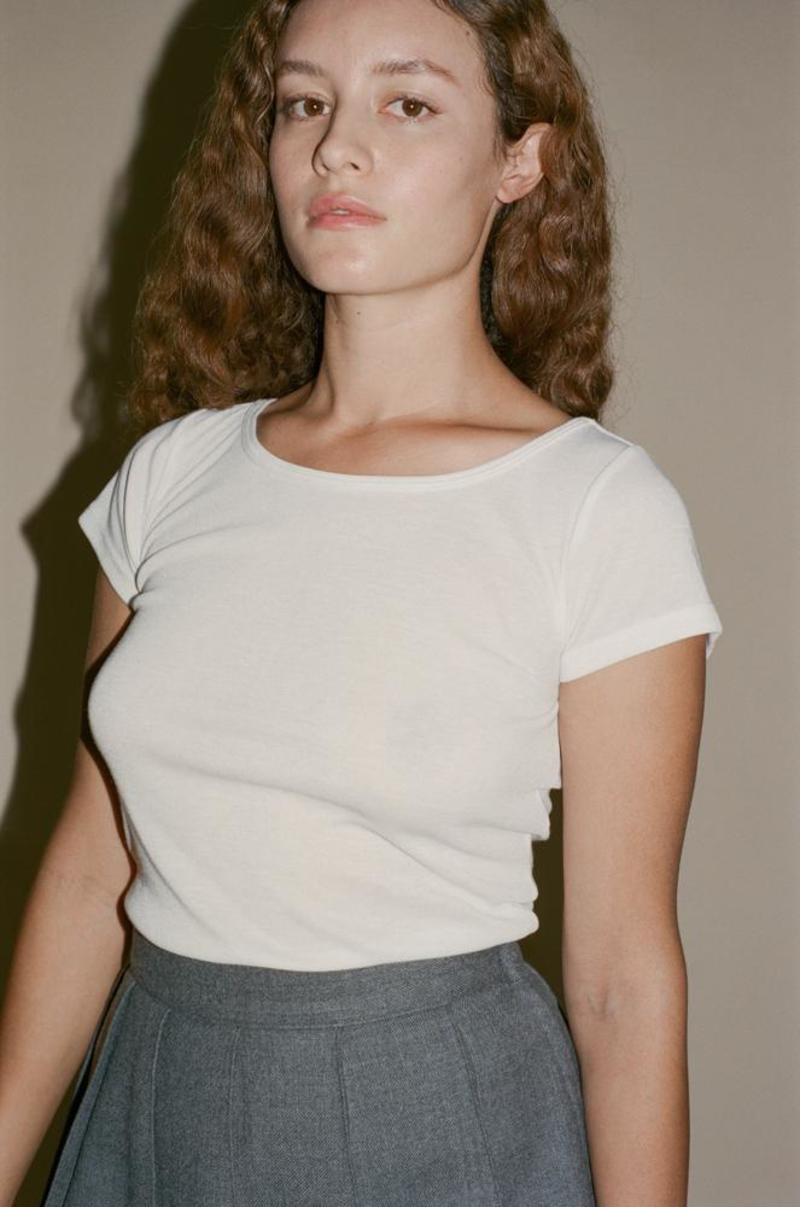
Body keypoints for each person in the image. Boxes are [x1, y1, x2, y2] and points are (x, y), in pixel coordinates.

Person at [0, 0, 723, 1204]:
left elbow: (620, 978)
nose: (337, 146)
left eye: (407, 102)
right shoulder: (172, 473)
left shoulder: (594, 507)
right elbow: (90, 866)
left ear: (518, 160)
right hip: (151, 1086)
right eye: (304, 103)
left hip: (436, 1111)